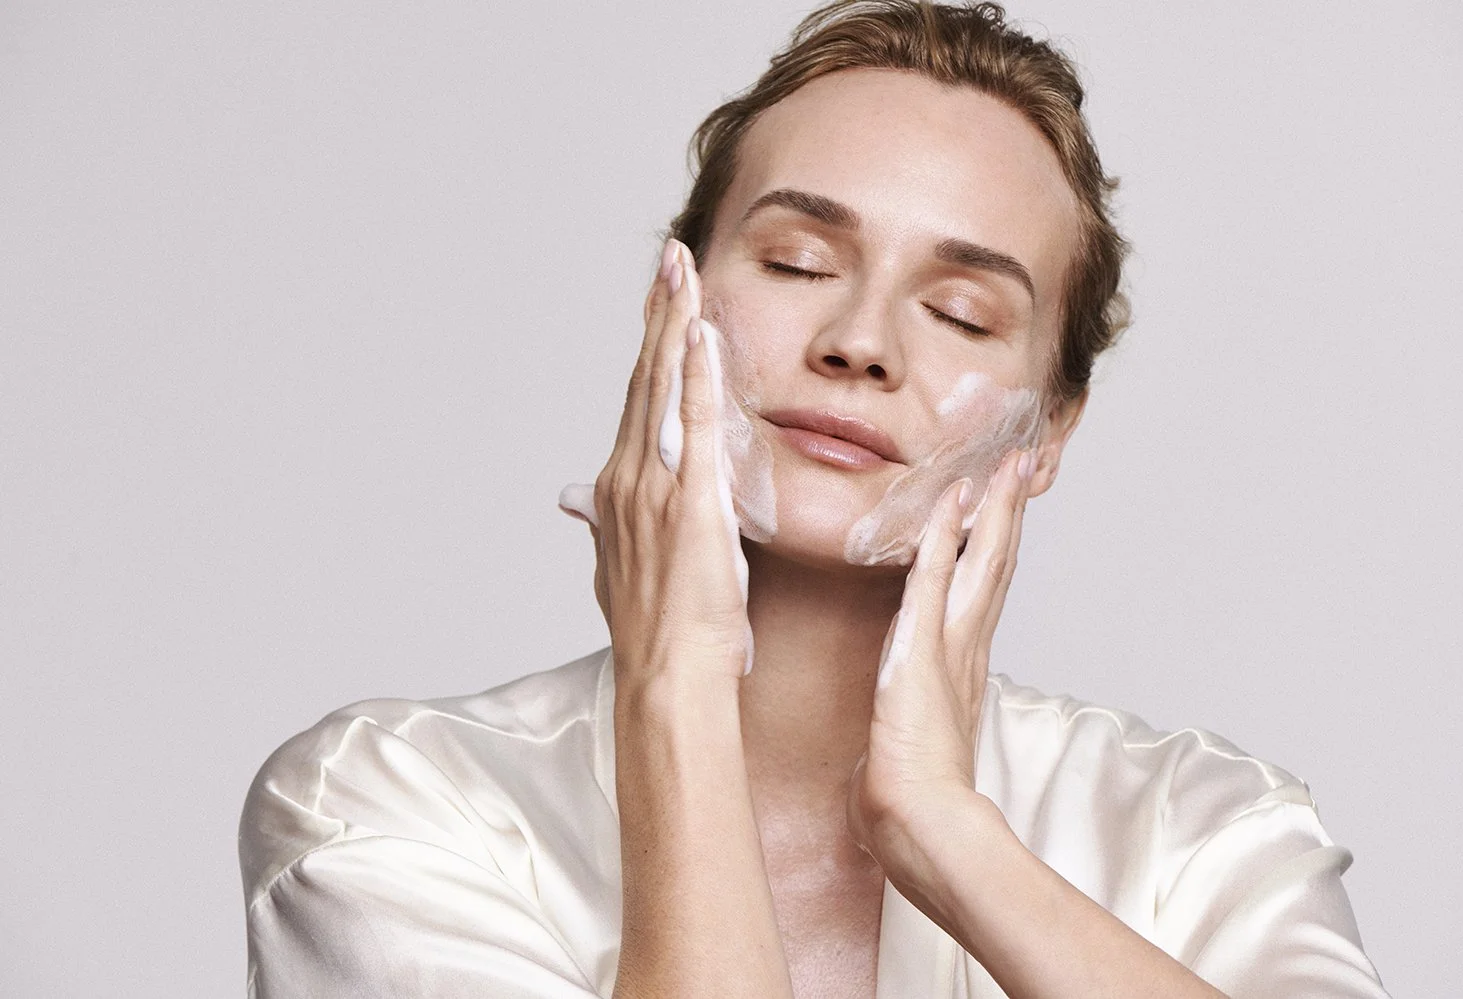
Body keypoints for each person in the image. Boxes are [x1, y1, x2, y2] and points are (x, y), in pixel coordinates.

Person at [238, 2, 1392, 996]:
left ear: (1048, 430)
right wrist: (676, 683)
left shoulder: (1204, 835)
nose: (858, 343)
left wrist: (943, 834)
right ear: (668, 303)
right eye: (795, 262)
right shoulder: (388, 803)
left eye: (961, 314)